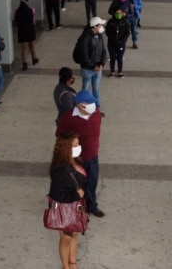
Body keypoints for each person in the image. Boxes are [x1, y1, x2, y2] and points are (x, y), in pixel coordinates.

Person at [55, 90, 105, 218]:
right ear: (81, 105)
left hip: (93, 156)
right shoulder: (68, 117)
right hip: (77, 158)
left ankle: (92, 206)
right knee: (76, 183)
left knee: (92, 181)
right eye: (90, 103)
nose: (94, 105)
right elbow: (60, 135)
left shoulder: (96, 114)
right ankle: (77, 208)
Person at [48, 131, 88, 269]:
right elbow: (56, 194)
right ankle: (66, 266)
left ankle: (72, 263)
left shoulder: (75, 161)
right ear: (66, 149)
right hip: (65, 209)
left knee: (75, 234)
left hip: (76, 207)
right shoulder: (61, 171)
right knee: (66, 239)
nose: (79, 147)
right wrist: (76, 196)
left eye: (78, 144)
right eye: (75, 145)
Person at [77, 17, 107, 113]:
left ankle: (96, 108)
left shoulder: (99, 36)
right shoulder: (85, 38)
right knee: (85, 89)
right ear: (94, 26)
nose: (102, 27)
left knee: (96, 88)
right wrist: (93, 66)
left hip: (98, 68)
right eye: (100, 25)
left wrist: (102, 64)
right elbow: (84, 56)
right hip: (88, 69)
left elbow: (103, 50)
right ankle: (83, 108)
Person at [13, 0, 39, 71]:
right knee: (32, 46)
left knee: (24, 49)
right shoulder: (32, 10)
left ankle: (24, 64)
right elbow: (33, 21)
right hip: (31, 30)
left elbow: (16, 21)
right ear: (27, 2)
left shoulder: (16, 11)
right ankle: (34, 59)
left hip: (22, 31)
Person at [105, 7, 131, 78]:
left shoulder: (125, 22)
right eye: (117, 13)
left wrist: (122, 40)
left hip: (121, 43)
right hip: (111, 43)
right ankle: (112, 71)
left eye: (120, 13)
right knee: (112, 57)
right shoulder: (111, 22)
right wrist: (113, 39)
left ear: (122, 13)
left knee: (120, 58)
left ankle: (120, 72)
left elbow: (127, 32)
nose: (118, 14)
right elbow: (107, 32)